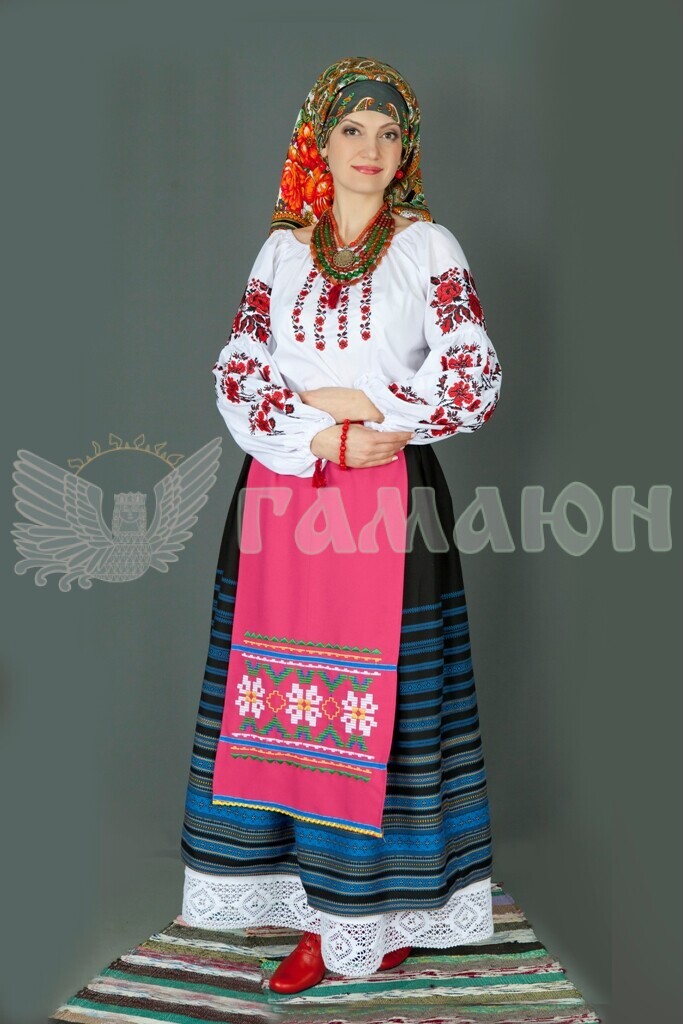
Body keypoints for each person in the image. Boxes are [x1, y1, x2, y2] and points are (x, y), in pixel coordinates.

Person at [179, 56, 503, 994]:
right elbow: (240, 370)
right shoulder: (282, 252)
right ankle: (312, 908)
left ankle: (365, 918)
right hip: (286, 490)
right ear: (318, 144)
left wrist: (370, 409)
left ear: (406, 152)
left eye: (389, 133)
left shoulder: (427, 247)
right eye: (353, 130)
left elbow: (471, 371)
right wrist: (314, 429)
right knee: (287, 700)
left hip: (388, 496)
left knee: (382, 709)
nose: (370, 148)